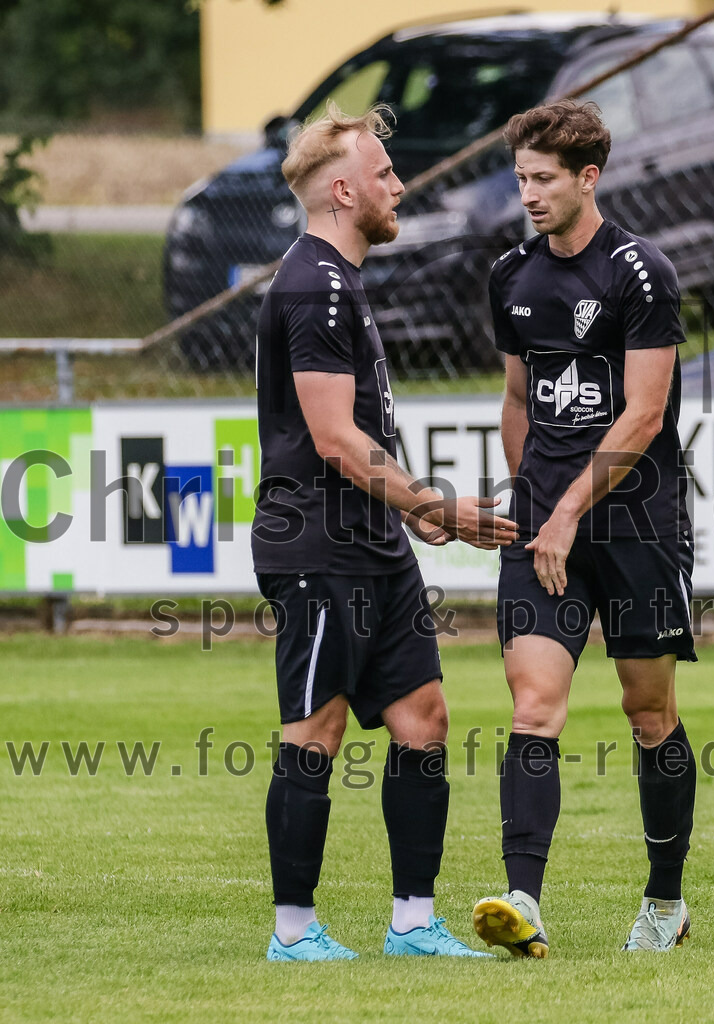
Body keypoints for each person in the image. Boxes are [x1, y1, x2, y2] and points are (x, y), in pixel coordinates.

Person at [252, 101, 518, 962]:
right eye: (384, 175)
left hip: (371, 540)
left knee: (425, 720)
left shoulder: (340, 277)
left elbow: (358, 434)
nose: (398, 186)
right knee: (316, 732)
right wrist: (432, 506)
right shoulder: (314, 281)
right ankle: (293, 933)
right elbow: (332, 437)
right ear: (341, 190)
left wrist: (405, 510)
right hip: (319, 544)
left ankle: (412, 923)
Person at [471, 99, 697, 957]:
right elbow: (519, 401)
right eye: (520, 178)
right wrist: (534, 505)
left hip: (636, 527)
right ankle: (521, 899)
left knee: (649, 715)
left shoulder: (642, 273)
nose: (526, 194)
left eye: (543, 179)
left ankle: (664, 905)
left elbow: (642, 417)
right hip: (545, 534)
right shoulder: (511, 277)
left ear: (587, 177)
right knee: (534, 710)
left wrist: (569, 510)